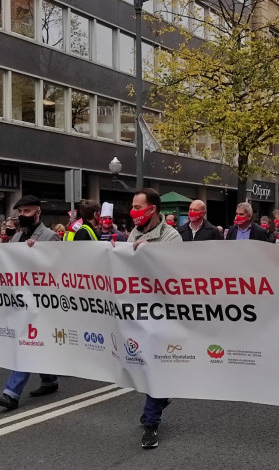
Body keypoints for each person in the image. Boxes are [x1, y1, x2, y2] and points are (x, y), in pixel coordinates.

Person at [0, 195, 61, 411]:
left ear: (38, 213)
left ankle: (11, 394)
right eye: (20, 212)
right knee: (35, 342)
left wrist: (37, 254)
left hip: (41, 303)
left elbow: (58, 268)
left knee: (28, 344)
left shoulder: (50, 237)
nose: (22, 216)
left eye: (27, 212)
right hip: (21, 300)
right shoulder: (17, 237)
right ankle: (50, 381)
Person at [126, 188, 182, 449]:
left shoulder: (171, 237)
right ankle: (161, 396)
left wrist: (152, 254)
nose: (134, 211)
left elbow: (175, 274)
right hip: (138, 312)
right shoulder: (133, 234)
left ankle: (151, 423)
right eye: (133, 206)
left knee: (158, 366)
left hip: (163, 313)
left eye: (139, 207)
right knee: (144, 365)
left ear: (153, 209)